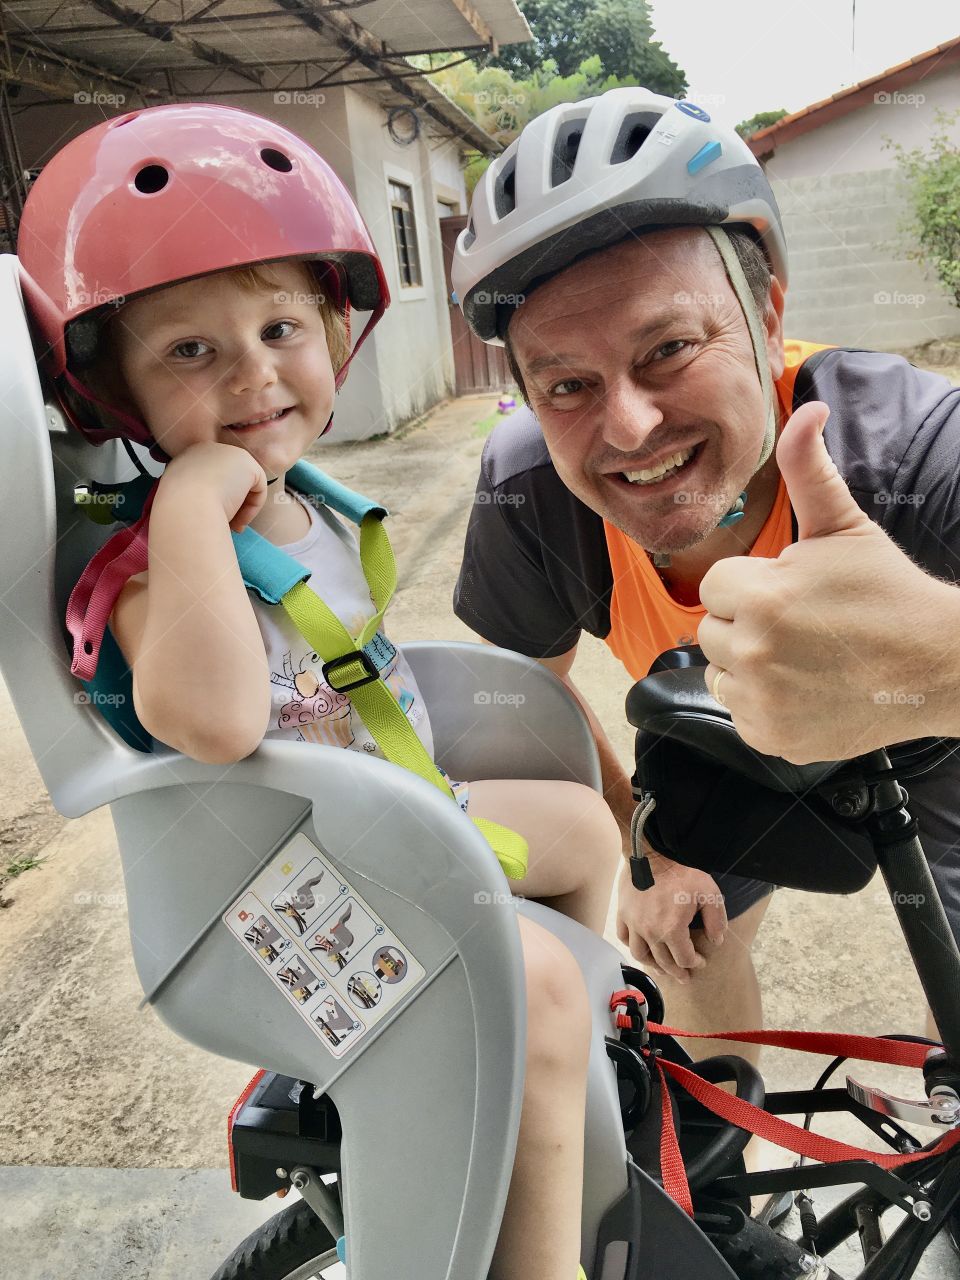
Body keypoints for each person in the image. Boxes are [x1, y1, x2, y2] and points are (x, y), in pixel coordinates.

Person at [18, 103, 623, 1280]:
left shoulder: (308, 505)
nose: (253, 375)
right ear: (121, 394)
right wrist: (190, 506)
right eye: (191, 351)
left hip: (383, 834)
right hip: (260, 893)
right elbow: (219, 719)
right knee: (539, 985)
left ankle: (536, 1071)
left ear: (334, 330)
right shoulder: (150, 563)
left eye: (281, 325)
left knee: (583, 824)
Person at [451, 85, 960, 1059]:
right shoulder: (533, 493)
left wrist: (932, 665)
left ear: (768, 314)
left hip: (944, 730)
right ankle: (716, 1181)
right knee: (674, 940)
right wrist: (637, 840)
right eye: (568, 383)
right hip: (732, 733)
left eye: (670, 348)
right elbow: (516, 701)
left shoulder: (908, 453)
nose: (631, 428)